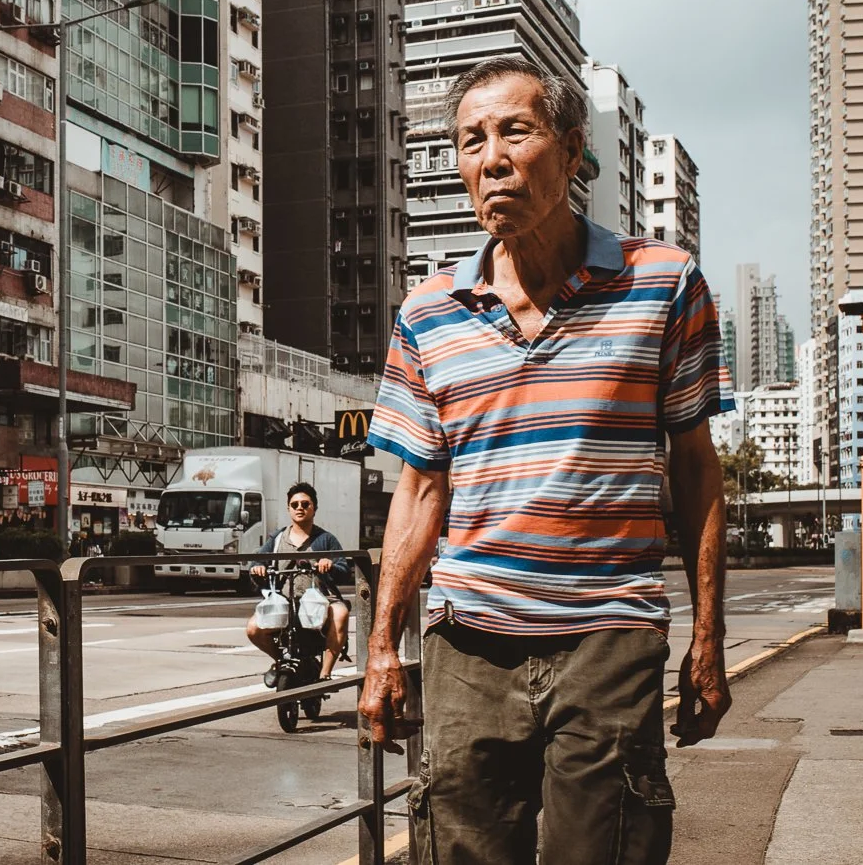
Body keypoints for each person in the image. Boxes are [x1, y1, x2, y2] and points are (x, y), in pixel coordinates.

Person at [356, 58, 730, 865]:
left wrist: (709, 635)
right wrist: (383, 645)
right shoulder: (427, 315)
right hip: (468, 645)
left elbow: (697, 468)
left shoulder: (663, 285)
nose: (490, 157)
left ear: (569, 149)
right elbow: (419, 491)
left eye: (514, 131)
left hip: (608, 638)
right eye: (469, 141)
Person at [245, 481, 352, 681]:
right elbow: (256, 563)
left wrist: (329, 565)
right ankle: (280, 661)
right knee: (253, 628)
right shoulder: (276, 539)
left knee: (341, 613)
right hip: (284, 601)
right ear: (288, 509)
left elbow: (344, 569)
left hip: (321, 601)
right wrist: (257, 569)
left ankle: (325, 674)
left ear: (314, 508)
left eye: (305, 504)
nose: (300, 508)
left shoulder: (326, 539)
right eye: (295, 505)